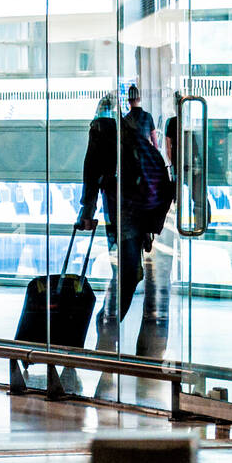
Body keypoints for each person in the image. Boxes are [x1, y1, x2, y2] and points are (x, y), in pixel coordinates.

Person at [77, 90, 173, 389]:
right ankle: (107, 330)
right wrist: (89, 208)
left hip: (124, 210)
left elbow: (91, 172)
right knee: (128, 272)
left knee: (127, 272)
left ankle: (107, 331)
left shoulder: (103, 130)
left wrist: (88, 209)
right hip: (132, 211)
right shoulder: (128, 129)